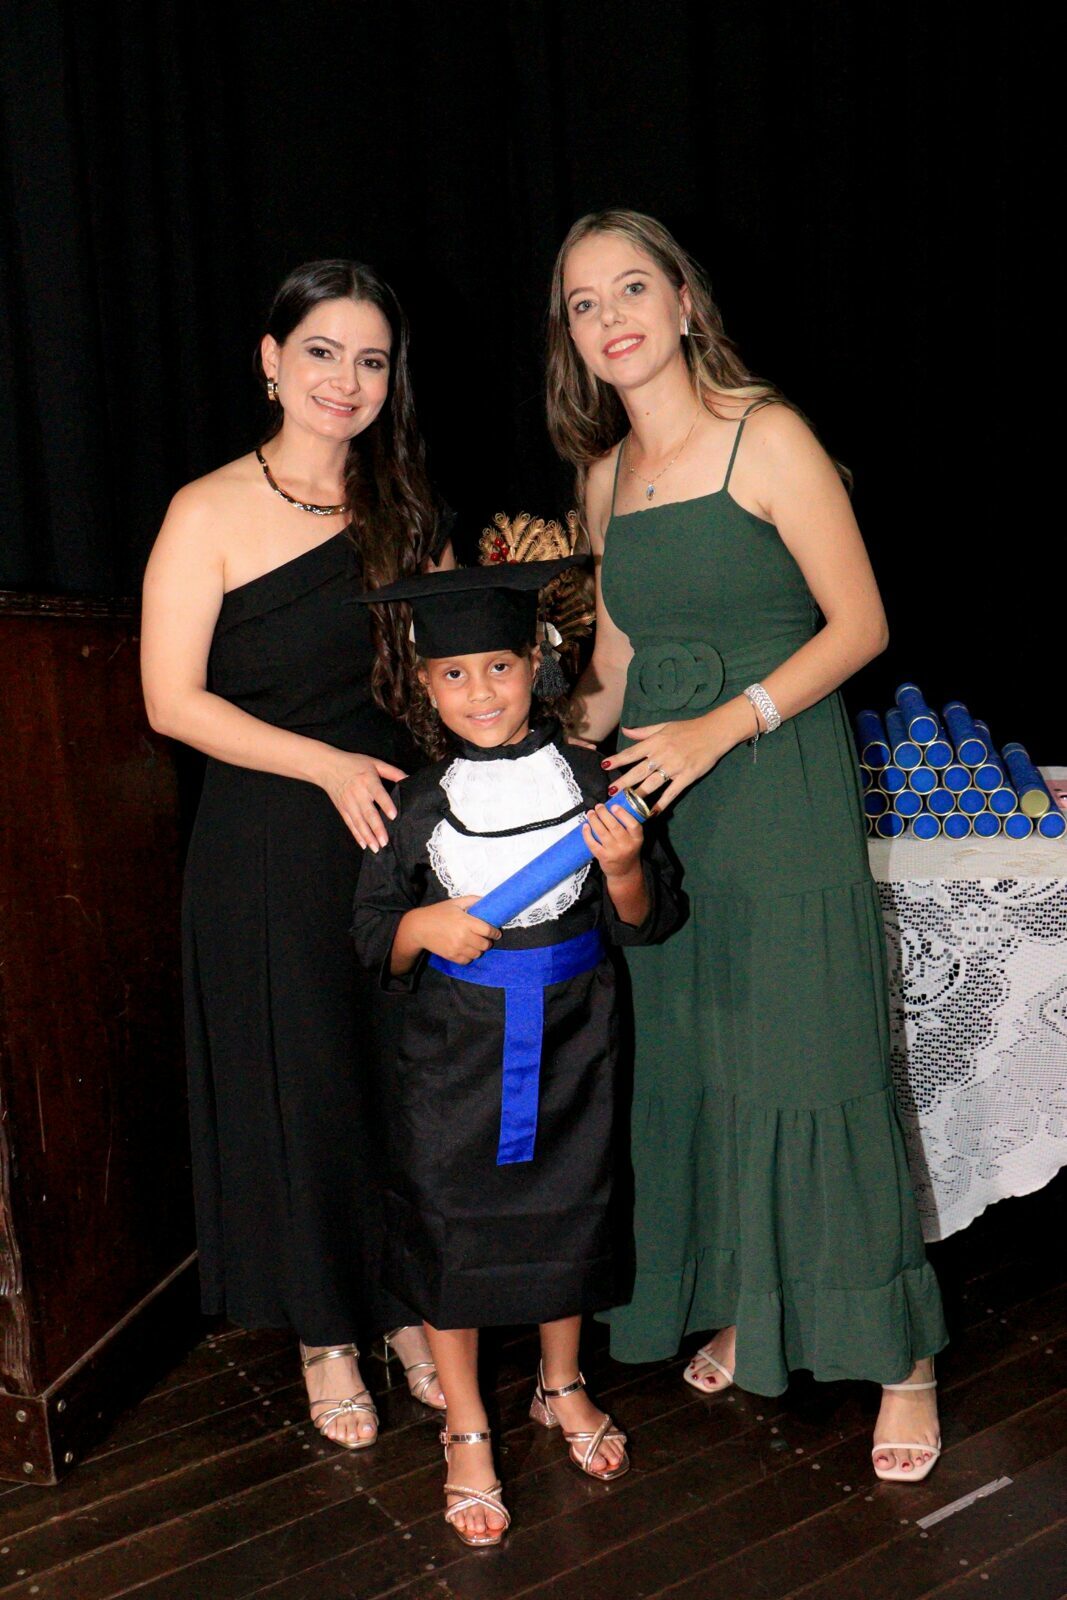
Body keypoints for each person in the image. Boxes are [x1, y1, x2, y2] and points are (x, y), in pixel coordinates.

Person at [545, 209, 948, 1483]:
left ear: (682, 301)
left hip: (774, 779)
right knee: (701, 1057)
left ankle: (900, 1357)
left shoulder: (764, 435)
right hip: (661, 806)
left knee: (810, 1058)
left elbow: (859, 623)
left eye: (629, 288)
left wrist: (722, 725)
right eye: (580, 303)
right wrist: (526, 755)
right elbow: (614, 664)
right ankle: (746, 1302)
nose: (608, 318)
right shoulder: (602, 478)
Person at [141, 259, 450, 1449]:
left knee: (399, 1083)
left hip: (394, 835)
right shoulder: (205, 509)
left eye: (370, 360)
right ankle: (327, 1336)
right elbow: (170, 700)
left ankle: (406, 1308)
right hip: (270, 837)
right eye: (322, 351)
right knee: (305, 1088)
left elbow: (439, 679)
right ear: (271, 360)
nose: (345, 380)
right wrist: (322, 765)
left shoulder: (403, 510)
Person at [351, 560, 682, 1543]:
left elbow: (647, 919)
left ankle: (560, 1384)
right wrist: (423, 926)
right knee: (450, 1226)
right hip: (452, 1055)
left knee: (567, 1211)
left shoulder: (594, 781)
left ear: (536, 664)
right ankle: (464, 1426)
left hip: (578, 1041)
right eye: (453, 674)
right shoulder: (414, 803)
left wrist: (621, 866)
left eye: (498, 666)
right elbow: (370, 935)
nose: (480, 692)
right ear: (424, 685)